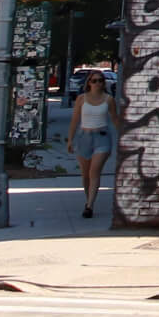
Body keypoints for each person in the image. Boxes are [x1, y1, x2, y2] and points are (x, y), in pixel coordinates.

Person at [67, 69, 119, 217]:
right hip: (84, 137)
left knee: (94, 171)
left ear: (104, 83)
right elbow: (75, 120)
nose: (97, 83)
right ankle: (88, 199)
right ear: (88, 83)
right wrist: (70, 140)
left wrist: (123, 134)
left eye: (100, 80)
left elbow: (115, 118)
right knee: (85, 174)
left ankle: (90, 206)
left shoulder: (108, 99)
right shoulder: (81, 99)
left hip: (102, 137)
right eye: (94, 80)